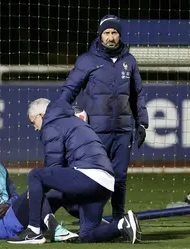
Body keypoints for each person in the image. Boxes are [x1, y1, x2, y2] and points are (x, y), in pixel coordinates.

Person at [7, 98, 142, 244]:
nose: (35, 128)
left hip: (89, 175)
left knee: (35, 175)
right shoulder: (73, 121)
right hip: (106, 182)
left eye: (33, 122)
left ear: (41, 115)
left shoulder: (51, 124)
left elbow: (53, 166)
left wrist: (36, 190)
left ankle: (33, 231)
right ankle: (123, 225)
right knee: (86, 234)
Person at [59, 14, 149, 222]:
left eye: (114, 32)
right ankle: (89, 218)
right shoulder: (87, 60)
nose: (111, 37)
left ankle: (118, 220)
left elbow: (138, 95)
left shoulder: (129, 61)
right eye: (107, 33)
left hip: (123, 131)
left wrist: (142, 123)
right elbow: (69, 89)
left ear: (120, 35)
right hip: (95, 131)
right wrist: (62, 114)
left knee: (120, 178)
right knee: (93, 177)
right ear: (100, 35)